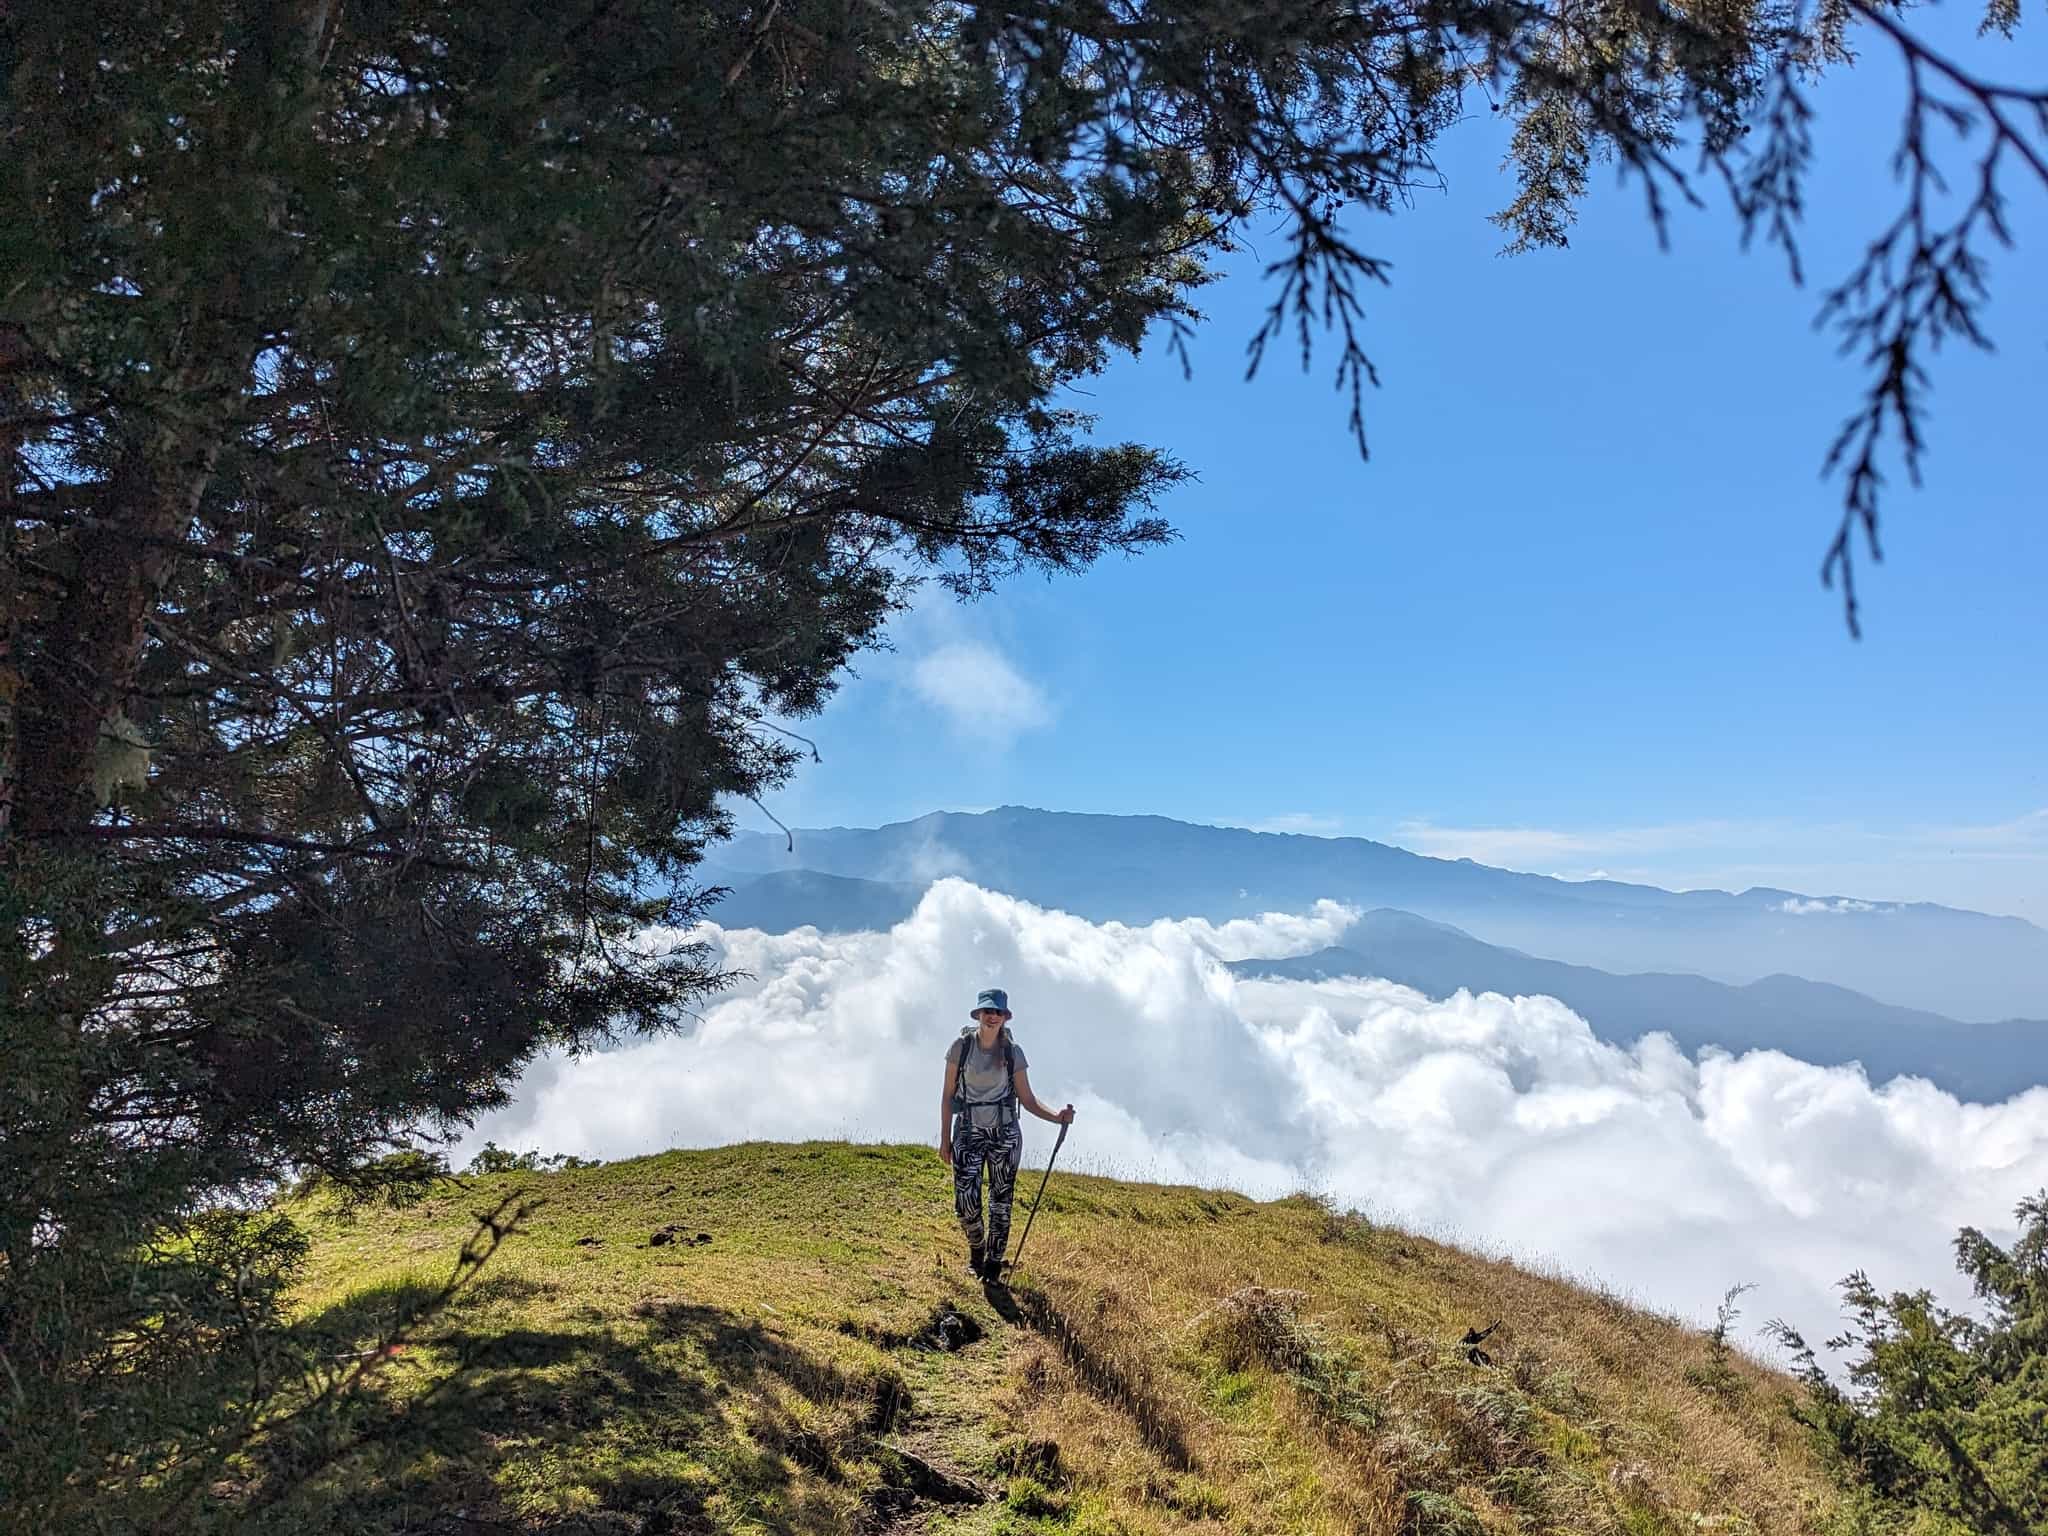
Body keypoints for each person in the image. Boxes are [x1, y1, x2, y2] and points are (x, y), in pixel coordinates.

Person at [940, 987, 1074, 1282]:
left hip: (1005, 1136)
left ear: (1005, 1017)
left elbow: (1027, 1098)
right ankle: (977, 1247)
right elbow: (948, 1095)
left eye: (997, 1012)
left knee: (1001, 1202)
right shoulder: (960, 1048)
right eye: (987, 1011)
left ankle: (992, 1265)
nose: (992, 1017)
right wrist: (944, 1139)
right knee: (965, 1203)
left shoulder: (1013, 1053)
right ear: (978, 1014)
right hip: (967, 1131)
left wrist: (1056, 1117)